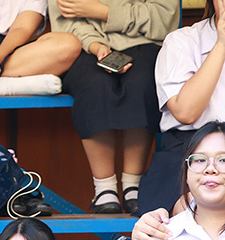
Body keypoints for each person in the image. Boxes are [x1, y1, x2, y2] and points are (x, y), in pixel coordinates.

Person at [49, 1, 178, 214]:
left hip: (146, 42)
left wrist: (104, 12)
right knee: (94, 85)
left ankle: (133, 185)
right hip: (86, 46)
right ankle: (104, 188)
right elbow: (66, 23)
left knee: (142, 82)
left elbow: (163, 17)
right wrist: (96, 46)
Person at [139, 1, 225, 214]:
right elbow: (186, 112)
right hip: (188, 150)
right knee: (189, 209)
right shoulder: (182, 41)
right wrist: (221, 43)